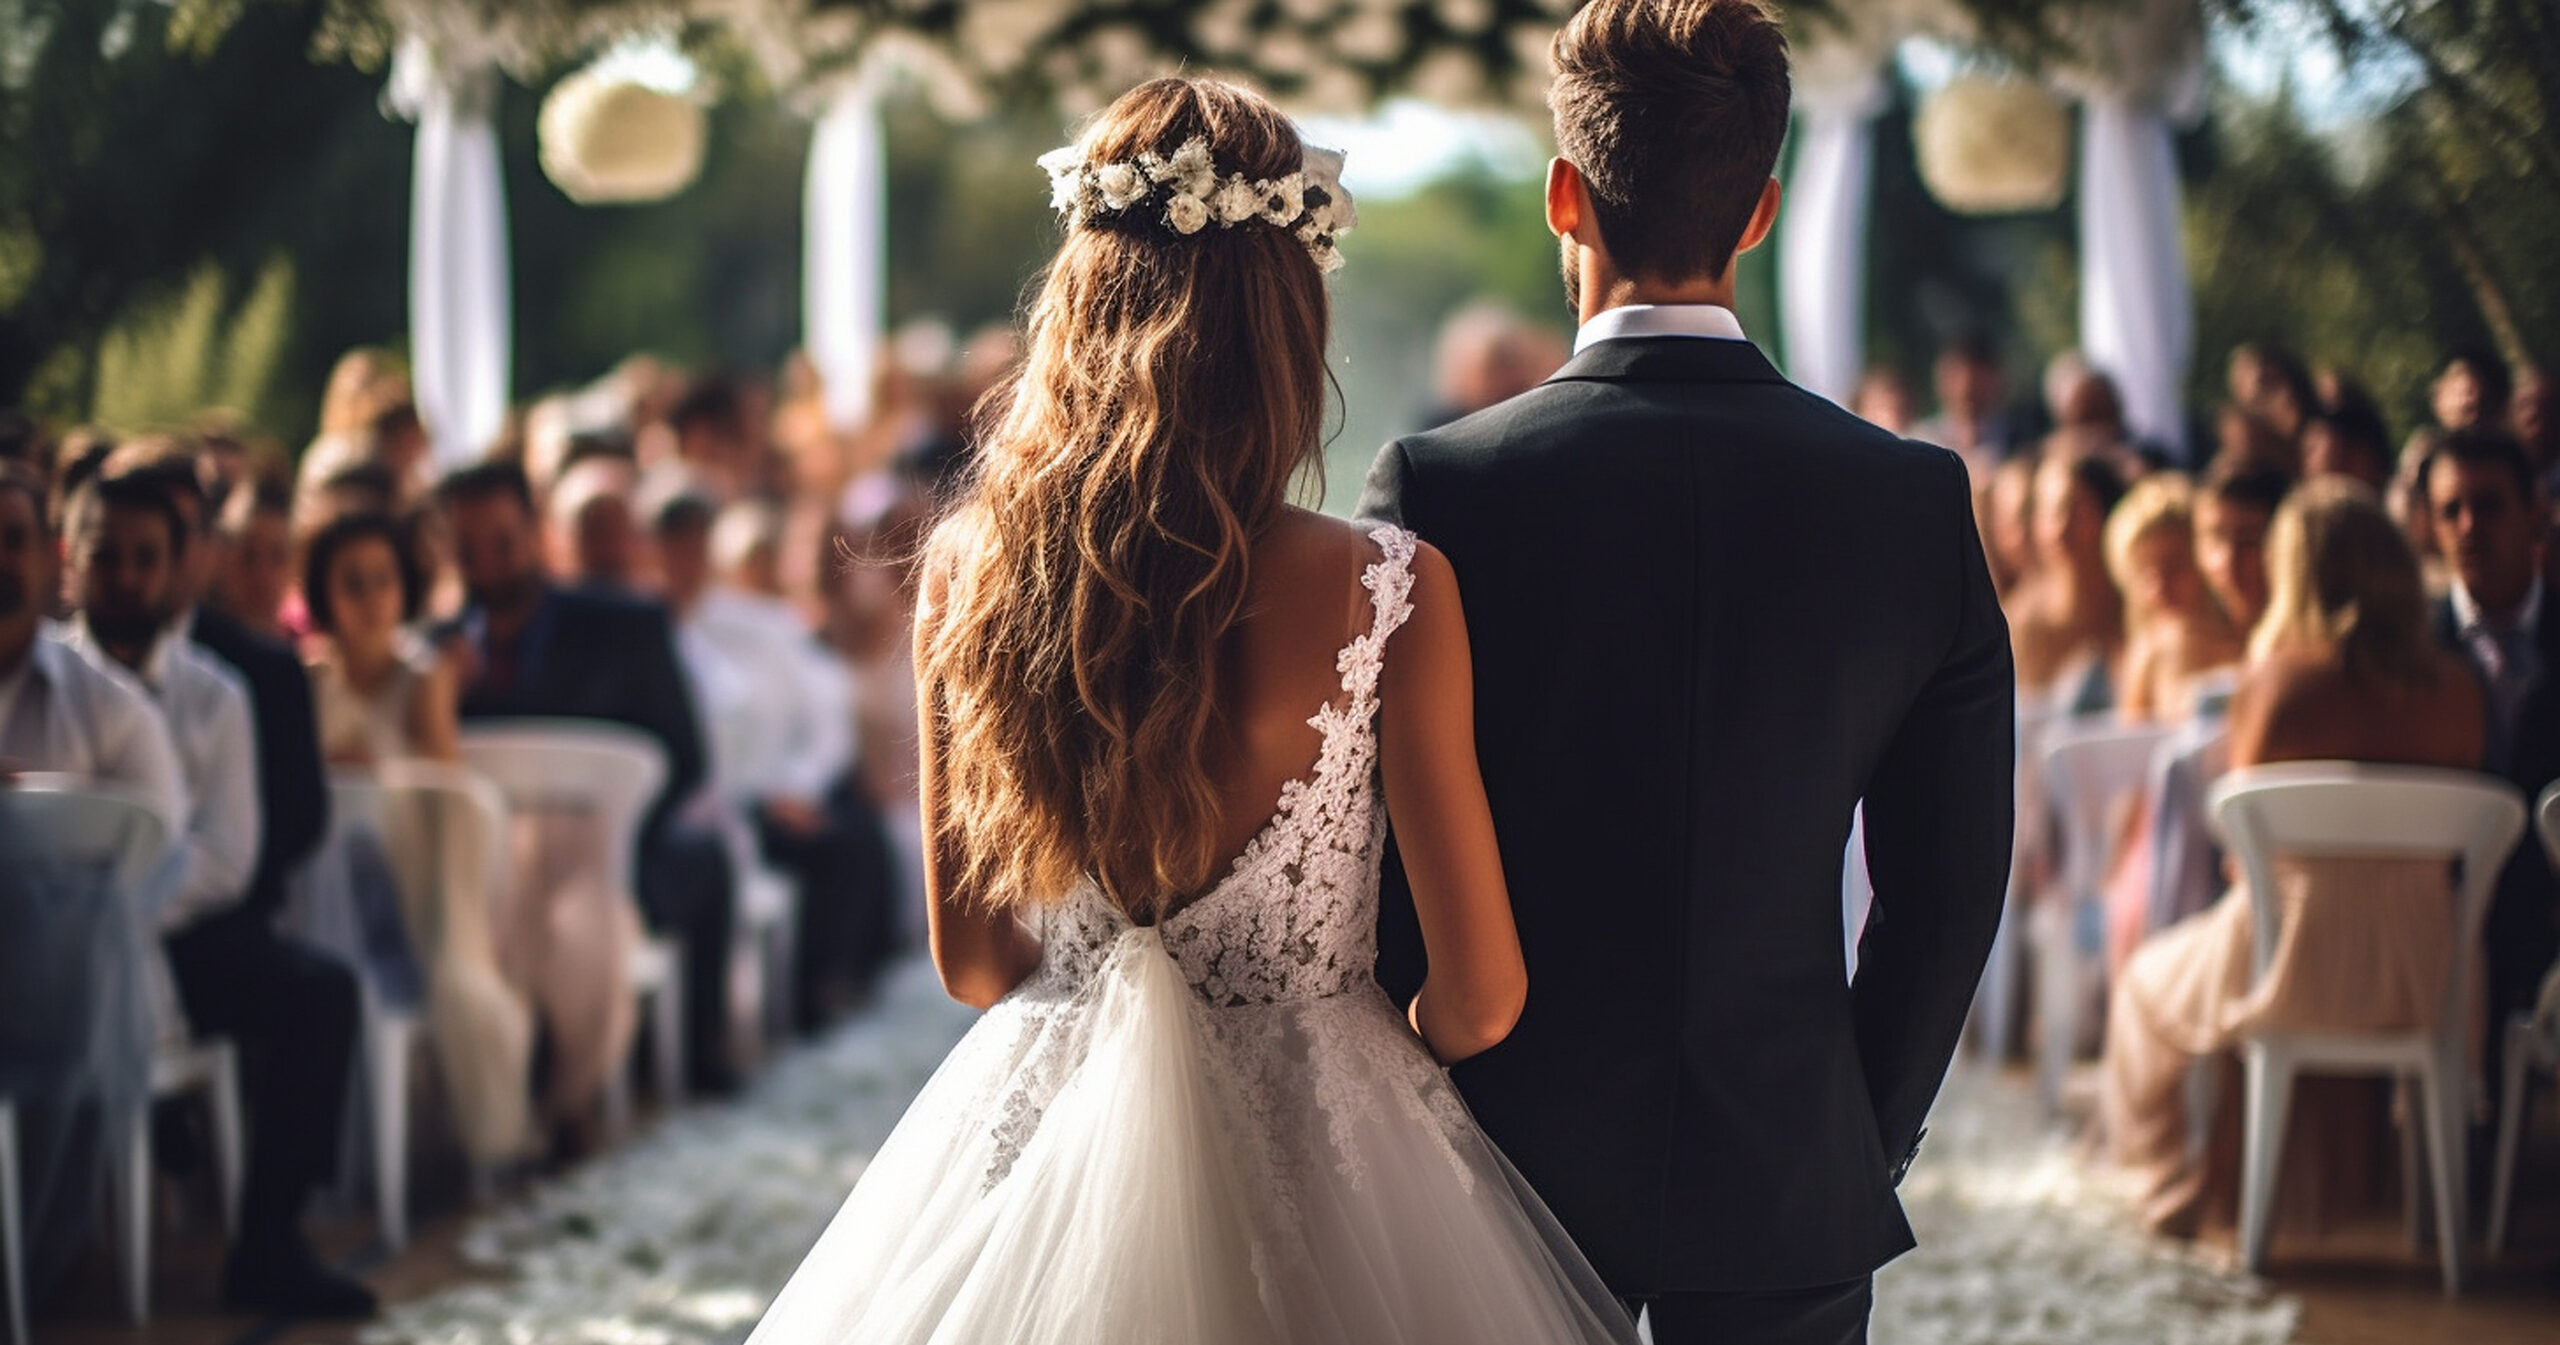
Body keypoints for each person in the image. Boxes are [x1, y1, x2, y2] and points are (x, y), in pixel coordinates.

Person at [746, 77, 1637, 1345]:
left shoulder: (965, 572)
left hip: (1044, 1155)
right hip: (1328, 1153)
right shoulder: (1388, 589)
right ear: (1288, 324)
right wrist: (1354, 1044)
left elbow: (978, 962)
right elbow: (1481, 997)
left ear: (1082, 297)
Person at [1359, 2, 2013, 1339]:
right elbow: (1948, 891)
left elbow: (1372, 859)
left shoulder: (1444, 489)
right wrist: (1850, 1134)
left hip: (1498, 1168)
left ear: (1563, 198)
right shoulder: (1912, 503)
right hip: (1789, 1171)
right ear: (1761, 212)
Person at [2102, 479, 2483, 1239]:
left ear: (2297, 571)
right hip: (2429, 971)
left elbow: (2245, 859)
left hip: (2292, 967)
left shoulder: (2275, 684)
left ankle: (2197, 1183)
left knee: (2148, 984)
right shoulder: (2461, 691)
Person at [59, 472, 373, 1317]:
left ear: (179, 568)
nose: (127, 577)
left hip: (181, 926)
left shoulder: (216, 694)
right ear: (71, 564)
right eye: (107, 558)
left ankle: (270, 1241)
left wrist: (119, 914)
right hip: (40, 938)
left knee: (320, 993)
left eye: (146, 559)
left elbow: (228, 856)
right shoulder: (41, 678)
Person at [437, 461, 737, 1100]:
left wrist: (613, 828)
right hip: (484, 873)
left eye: (502, 543)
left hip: (609, 857)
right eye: (468, 550)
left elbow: (684, 753)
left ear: (535, 533)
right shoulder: (439, 655)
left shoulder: (624, 624)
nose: (487, 565)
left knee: (701, 865)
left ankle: (662, 1065)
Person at [2423, 428, 2560, 1086]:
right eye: (2451, 509)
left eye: (2489, 504)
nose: (2470, 525)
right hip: (2443, 923)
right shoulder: (2408, 650)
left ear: (2537, 513)